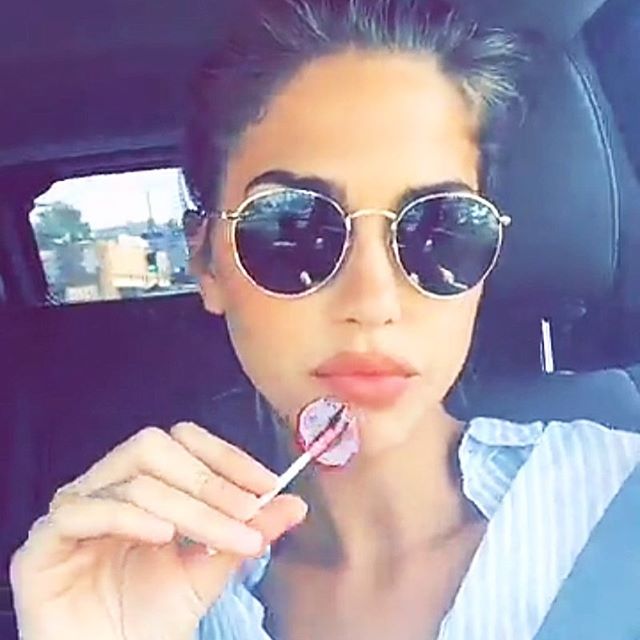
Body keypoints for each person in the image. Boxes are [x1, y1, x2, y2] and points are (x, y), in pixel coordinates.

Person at [9, 1, 640, 639]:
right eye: (292, 229)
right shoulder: (156, 596)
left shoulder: (620, 500)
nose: (373, 300)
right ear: (206, 262)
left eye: (441, 228)